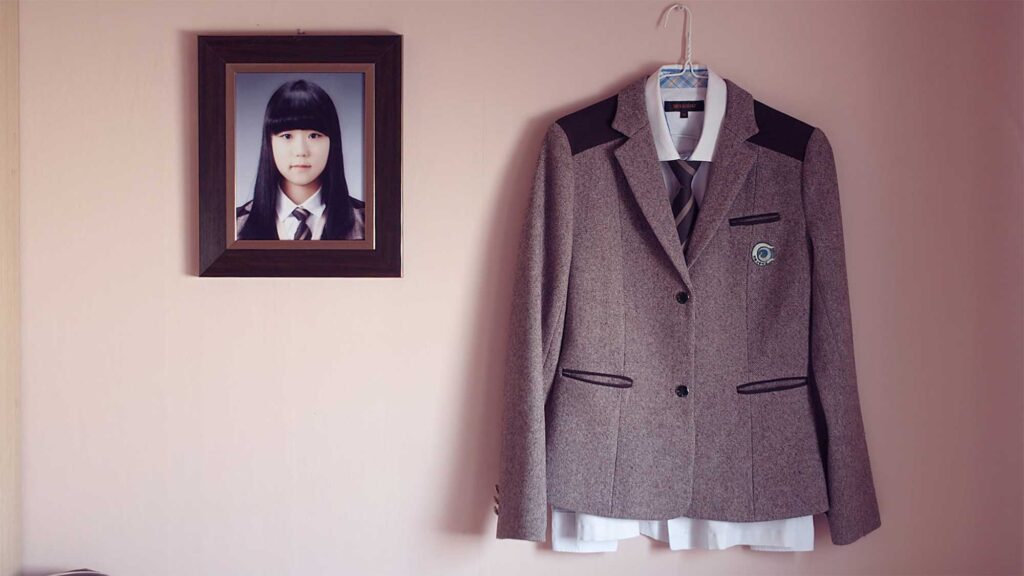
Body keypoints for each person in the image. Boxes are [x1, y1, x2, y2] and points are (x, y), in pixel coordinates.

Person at [236, 79, 365, 240]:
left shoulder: (368, 222)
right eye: (287, 136)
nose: (301, 151)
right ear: (269, 143)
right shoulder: (235, 225)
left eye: (314, 135)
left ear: (333, 142)